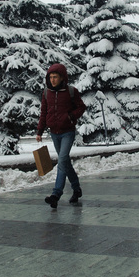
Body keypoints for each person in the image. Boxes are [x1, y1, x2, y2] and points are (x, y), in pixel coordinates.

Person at [36, 63, 86, 208]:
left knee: (62, 160)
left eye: (55, 77)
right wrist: (39, 131)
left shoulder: (71, 91)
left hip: (67, 132)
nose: (52, 80)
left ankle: (56, 194)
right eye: (50, 77)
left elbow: (81, 107)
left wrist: (71, 116)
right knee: (65, 162)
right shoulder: (46, 93)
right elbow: (43, 113)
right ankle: (76, 190)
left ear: (62, 77)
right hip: (54, 133)